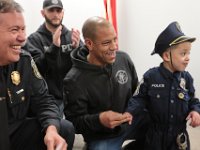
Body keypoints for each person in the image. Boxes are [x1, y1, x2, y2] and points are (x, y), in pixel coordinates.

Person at [63, 16, 149, 150]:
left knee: (165, 123)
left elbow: (136, 93)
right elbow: (75, 123)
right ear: (89, 44)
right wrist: (99, 120)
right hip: (102, 136)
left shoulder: (124, 59)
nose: (114, 47)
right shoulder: (73, 80)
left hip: (131, 122)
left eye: (115, 39)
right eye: (106, 43)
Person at [0, 0, 75, 149]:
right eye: (14, 30)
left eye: (23, 29)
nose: (22, 38)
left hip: (13, 133)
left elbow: (43, 100)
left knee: (64, 128)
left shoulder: (24, 61)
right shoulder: (36, 40)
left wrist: (51, 129)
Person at [125, 21, 200, 150]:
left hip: (179, 139)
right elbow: (138, 98)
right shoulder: (150, 77)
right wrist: (130, 112)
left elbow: (193, 100)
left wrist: (195, 111)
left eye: (189, 53)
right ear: (166, 56)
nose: (188, 58)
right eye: (183, 53)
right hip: (155, 137)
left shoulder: (186, 79)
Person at [24, 0, 83, 116]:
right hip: (49, 99)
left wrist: (77, 49)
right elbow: (36, 70)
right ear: (42, 13)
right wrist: (54, 47)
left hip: (73, 96)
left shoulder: (72, 36)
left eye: (58, 10)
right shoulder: (34, 40)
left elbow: (83, 66)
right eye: (51, 10)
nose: (55, 14)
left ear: (63, 13)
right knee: (61, 128)